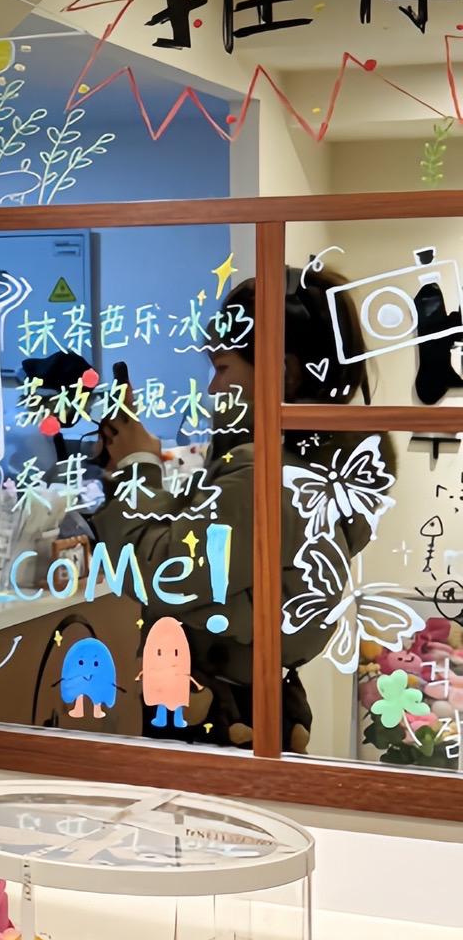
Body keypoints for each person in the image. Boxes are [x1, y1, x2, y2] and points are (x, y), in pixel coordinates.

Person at [92, 263, 394, 749]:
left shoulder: (264, 477)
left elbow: (160, 573)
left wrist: (135, 467)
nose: (212, 389)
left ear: (283, 373)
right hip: (257, 700)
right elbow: (208, 563)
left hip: (216, 712)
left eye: (222, 368)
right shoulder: (309, 468)